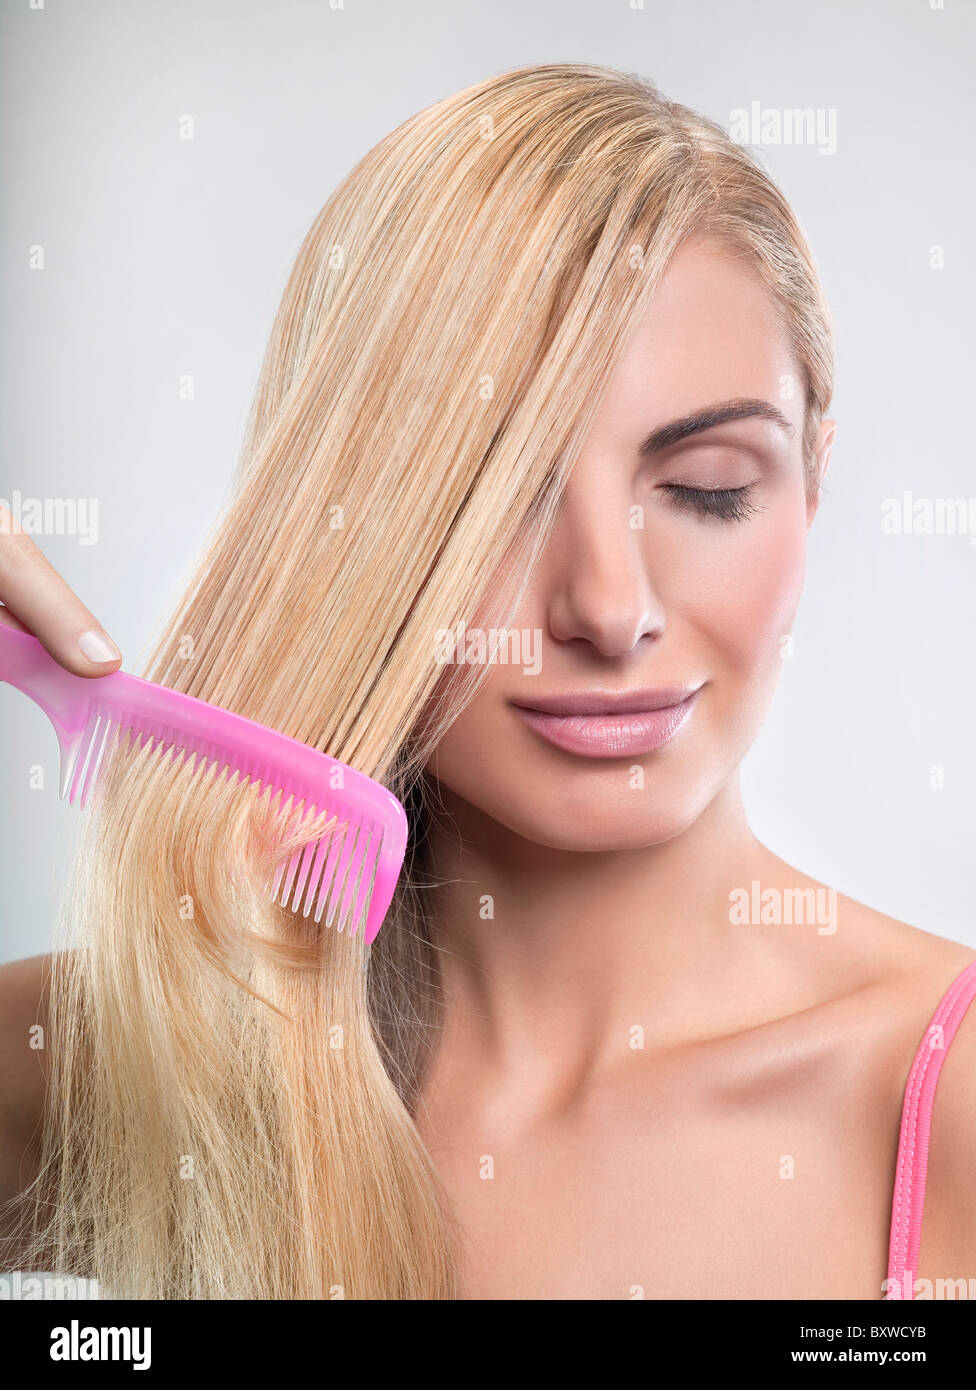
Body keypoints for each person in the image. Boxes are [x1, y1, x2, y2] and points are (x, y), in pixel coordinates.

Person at [1, 62, 974, 1300]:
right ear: (343, 521)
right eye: (485, 501)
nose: (609, 609)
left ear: (814, 483)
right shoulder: (137, 1060)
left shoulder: (939, 1104)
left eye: (709, 487)